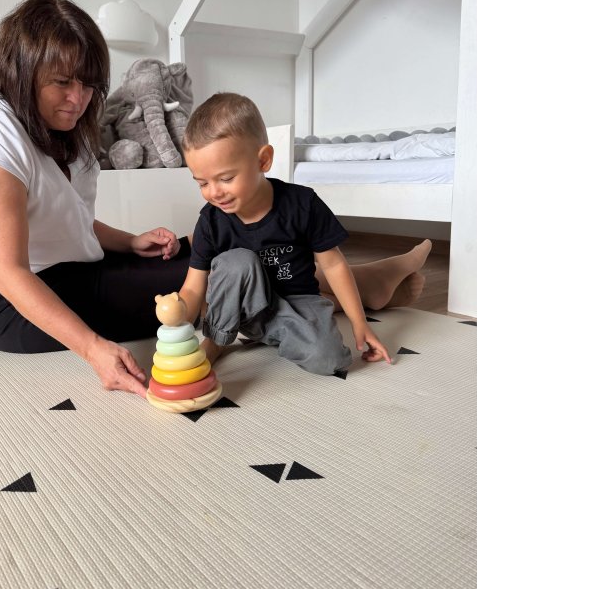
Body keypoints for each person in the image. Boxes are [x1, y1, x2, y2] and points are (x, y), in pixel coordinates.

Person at [0, 0, 429, 398]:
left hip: (75, 269)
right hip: (9, 304)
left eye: (88, 85)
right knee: (214, 273)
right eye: (63, 83)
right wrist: (92, 349)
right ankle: (365, 285)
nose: (79, 98)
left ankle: (348, 288)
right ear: (21, 70)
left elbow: (63, 219)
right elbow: (8, 271)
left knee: (205, 253)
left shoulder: (60, 128)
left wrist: (129, 242)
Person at [174, 92, 433, 376]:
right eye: (202, 183)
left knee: (330, 360)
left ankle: (308, 319)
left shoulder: (302, 204)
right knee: (236, 261)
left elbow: (333, 265)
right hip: (243, 312)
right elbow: (194, 287)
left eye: (225, 179)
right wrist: (176, 313)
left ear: (263, 160)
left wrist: (360, 323)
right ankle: (217, 341)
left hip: (297, 304)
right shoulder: (210, 220)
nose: (213, 192)